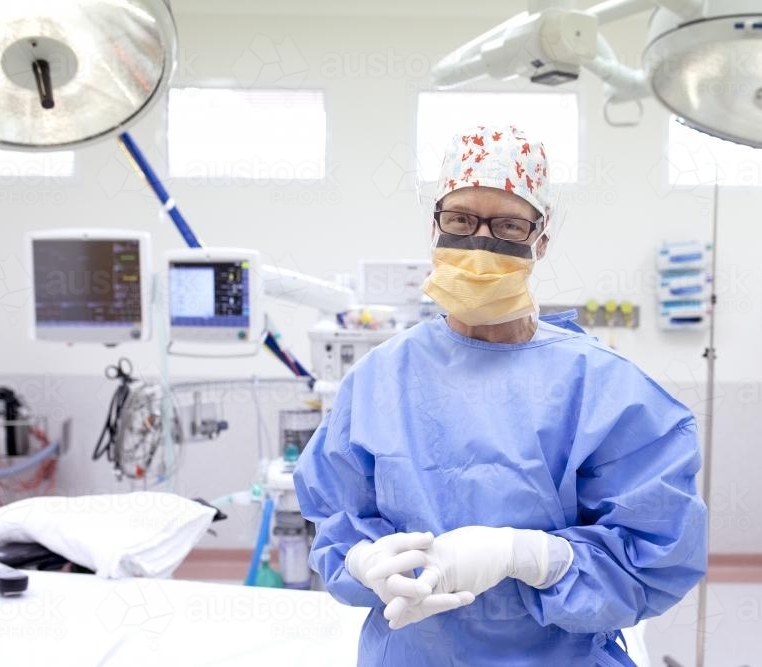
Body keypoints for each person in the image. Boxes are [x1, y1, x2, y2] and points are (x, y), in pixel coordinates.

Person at [294, 124, 707, 665]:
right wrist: (362, 563)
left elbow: (655, 557)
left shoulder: (604, 390)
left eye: (508, 225)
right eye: (461, 219)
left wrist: (530, 556)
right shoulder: (380, 379)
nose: (479, 242)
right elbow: (336, 521)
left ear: (541, 240)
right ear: (434, 226)